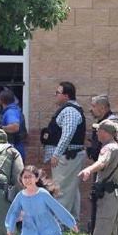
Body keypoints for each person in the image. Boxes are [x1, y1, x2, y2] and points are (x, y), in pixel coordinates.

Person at [79, 120, 118, 235]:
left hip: (108, 195)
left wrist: (88, 169)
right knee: (111, 231)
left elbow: (102, 162)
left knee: (100, 229)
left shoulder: (108, 148)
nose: (96, 133)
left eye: (98, 130)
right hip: (116, 194)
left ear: (104, 132)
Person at [41, 81, 87, 222]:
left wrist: (56, 154)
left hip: (67, 156)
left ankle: (59, 224)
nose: (55, 95)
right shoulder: (69, 109)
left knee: (61, 190)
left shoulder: (70, 111)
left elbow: (68, 134)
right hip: (68, 156)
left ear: (66, 96)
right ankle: (72, 222)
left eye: (58, 93)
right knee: (71, 189)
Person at [88, 94, 118, 235]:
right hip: (104, 163)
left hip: (111, 166)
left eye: (93, 106)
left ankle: (112, 230)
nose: (90, 109)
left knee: (106, 195)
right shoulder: (103, 121)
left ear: (102, 107)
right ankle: (109, 229)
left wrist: (106, 163)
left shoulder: (113, 122)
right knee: (102, 196)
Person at [0, 89, 27, 161]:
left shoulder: (10, 112)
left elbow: (15, 127)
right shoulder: (14, 110)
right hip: (16, 149)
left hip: (12, 150)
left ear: (0, 101)